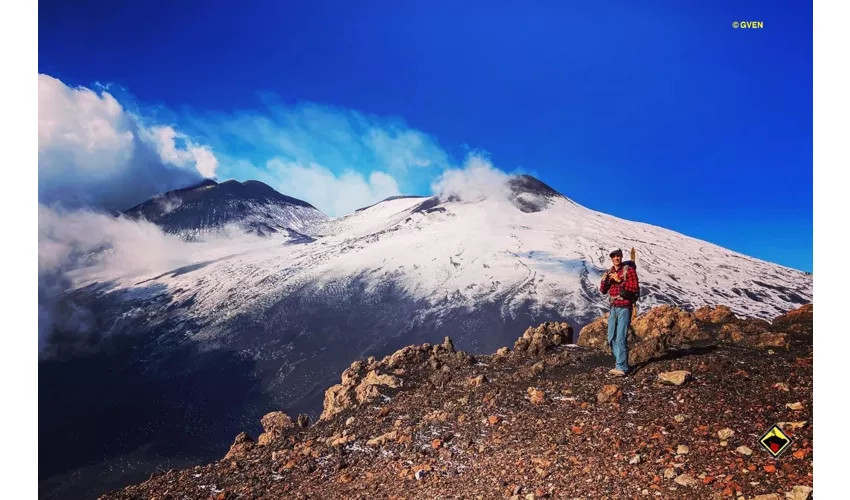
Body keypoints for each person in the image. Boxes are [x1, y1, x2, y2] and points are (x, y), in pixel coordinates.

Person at [600, 249, 640, 376]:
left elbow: (635, 288)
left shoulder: (629, 271)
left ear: (621, 257)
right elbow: (603, 291)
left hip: (624, 307)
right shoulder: (609, 272)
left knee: (621, 337)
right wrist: (604, 280)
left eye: (618, 256)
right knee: (611, 337)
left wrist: (619, 281)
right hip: (613, 308)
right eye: (614, 257)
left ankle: (621, 367)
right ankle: (621, 362)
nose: (616, 258)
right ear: (611, 258)